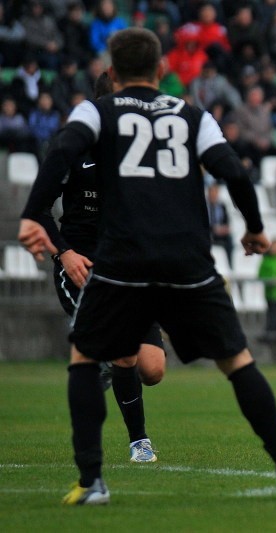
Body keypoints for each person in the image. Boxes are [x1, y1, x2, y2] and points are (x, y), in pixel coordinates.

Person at [18, 28, 276, 504]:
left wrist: (30, 217)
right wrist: (256, 227)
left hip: (123, 260)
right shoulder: (192, 115)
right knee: (237, 361)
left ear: (112, 74)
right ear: (162, 70)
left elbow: (58, 156)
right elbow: (234, 171)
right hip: (186, 258)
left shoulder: (97, 111)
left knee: (86, 359)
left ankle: (91, 481)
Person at [30, 72, 167, 466]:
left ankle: (106, 364)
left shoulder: (142, 154)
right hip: (82, 267)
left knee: (153, 369)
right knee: (124, 351)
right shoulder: (72, 146)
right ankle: (139, 443)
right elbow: (39, 206)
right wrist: (65, 253)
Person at [207, 183, 234, 266]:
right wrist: (214, 229)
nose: (214, 194)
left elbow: (226, 221)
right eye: (212, 192)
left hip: (220, 233)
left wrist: (224, 229)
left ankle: (230, 264)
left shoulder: (222, 206)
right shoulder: (204, 206)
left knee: (230, 239)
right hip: (209, 232)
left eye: (215, 192)